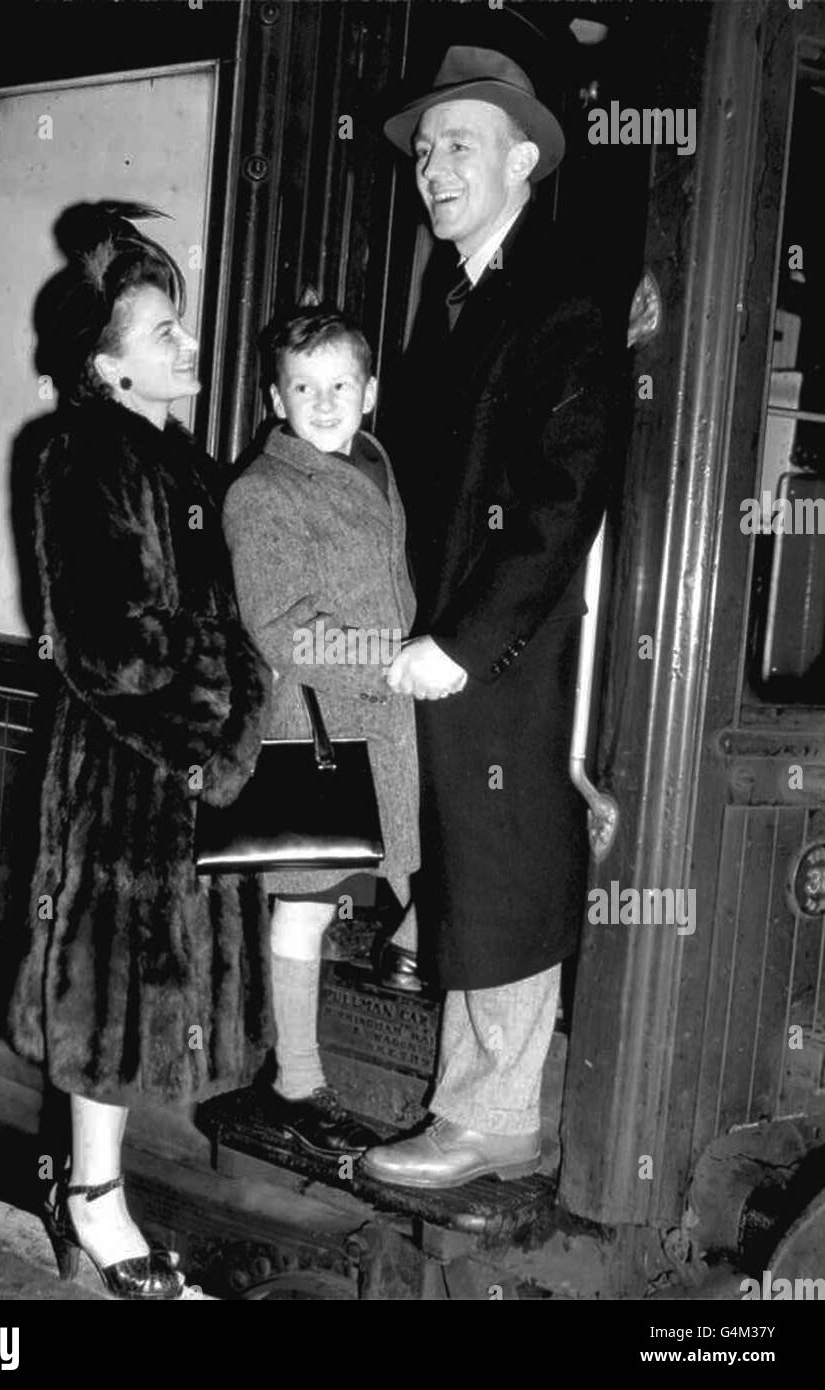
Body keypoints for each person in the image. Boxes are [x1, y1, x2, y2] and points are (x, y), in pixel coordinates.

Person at [362, 47, 622, 1189]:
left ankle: (496, 1117)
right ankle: (473, 1104)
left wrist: (463, 645)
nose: (432, 166)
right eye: (423, 150)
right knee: (471, 873)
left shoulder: (557, 297)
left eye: (458, 143)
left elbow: (563, 498)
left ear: (523, 158)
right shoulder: (459, 292)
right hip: (452, 647)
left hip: (501, 658)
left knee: (503, 873)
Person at [3, 201, 272, 1295]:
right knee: (105, 1002)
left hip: (181, 773)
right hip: (121, 776)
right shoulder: (76, 451)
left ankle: (94, 1186)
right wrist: (215, 720)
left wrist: (238, 710)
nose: (189, 347)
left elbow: (230, 625)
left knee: (147, 996)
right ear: (107, 363)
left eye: (183, 326)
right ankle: (91, 1199)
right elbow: (110, 648)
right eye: (165, 332)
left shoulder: (190, 466)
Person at [222, 306, 419, 1158]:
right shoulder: (260, 492)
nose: (326, 400)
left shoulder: (373, 461)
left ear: (368, 390)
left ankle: (406, 956)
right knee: (303, 911)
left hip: (392, 726)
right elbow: (282, 627)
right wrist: (394, 658)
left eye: (341, 384)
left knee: (428, 867)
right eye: (305, 387)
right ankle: (295, 1083)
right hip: (315, 732)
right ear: (276, 396)